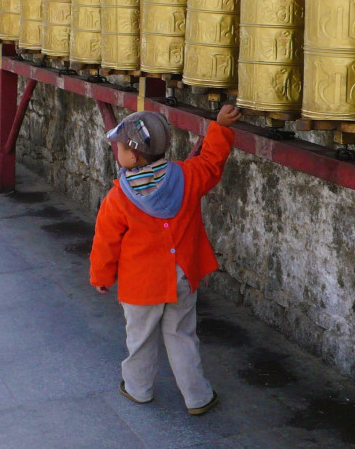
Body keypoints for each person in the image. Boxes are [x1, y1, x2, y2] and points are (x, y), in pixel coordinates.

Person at [90, 104, 242, 415]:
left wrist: (101, 278)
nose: (115, 150)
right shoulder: (188, 176)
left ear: (132, 156)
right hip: (182, 276)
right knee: (182, 336)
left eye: (118, 146)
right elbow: (212, 162)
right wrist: (221, 126)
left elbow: (105, 244)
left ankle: (138, 389)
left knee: (141, 339)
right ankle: (198, 398)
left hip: (141, 286)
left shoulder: (118, 198)